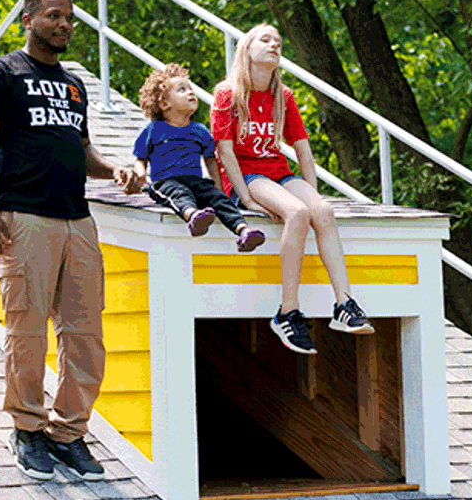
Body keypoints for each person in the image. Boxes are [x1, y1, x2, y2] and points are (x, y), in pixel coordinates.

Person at [0, 0, 143, 482]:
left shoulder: (74, 85)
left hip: (79, 220)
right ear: (28, 19)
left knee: (86, 334)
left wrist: (115, 170)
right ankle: (27, 429)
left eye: (69, 18)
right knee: (27, 332)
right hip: (24, 218)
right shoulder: (0, 75)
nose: (64, 24)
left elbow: (81, 151)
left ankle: (70, 433)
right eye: (54, 16)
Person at [211, 23, 373, 355]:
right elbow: (224, 152)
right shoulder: (227, 93)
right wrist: (244, 198)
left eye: (279, 42)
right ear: (247, 49)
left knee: (323, 211)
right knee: (296, 213)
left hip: (279, 174)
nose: (274, 45)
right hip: (246, 176)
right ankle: (287, 311)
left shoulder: (282, 97)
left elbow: (303, 151)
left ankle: (344, 304)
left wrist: (313, 195)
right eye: (265, 40)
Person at [132, 63, 266, 251]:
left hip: (196, 181)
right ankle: (193, 216)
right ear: (164, 104)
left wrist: (219, 189)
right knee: (179, 194)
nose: (190, 93)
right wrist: (139, 175)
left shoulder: (200, 131)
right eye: (182, 90)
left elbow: (211, 161)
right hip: (165, 182)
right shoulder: (154, 130)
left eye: (191, 89)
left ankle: (243, 230)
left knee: (219, 200)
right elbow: (140, 158)